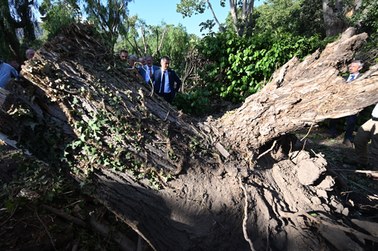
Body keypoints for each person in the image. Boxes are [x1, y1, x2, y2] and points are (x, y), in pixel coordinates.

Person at [329, 60, 363, 146]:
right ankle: (332, 133)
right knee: (333, 117)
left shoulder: (363, 78)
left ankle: (347, 138)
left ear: (360, 68)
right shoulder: (344, 78)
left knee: (351, 120)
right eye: (350, 66)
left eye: (353, 66)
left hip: (353, 103)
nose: (350, 68)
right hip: (340, 101)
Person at [354, 104, 378, 170]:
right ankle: (362, 162)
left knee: (376, 147)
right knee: (359, 139)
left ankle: (376, 169)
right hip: (373, 119)